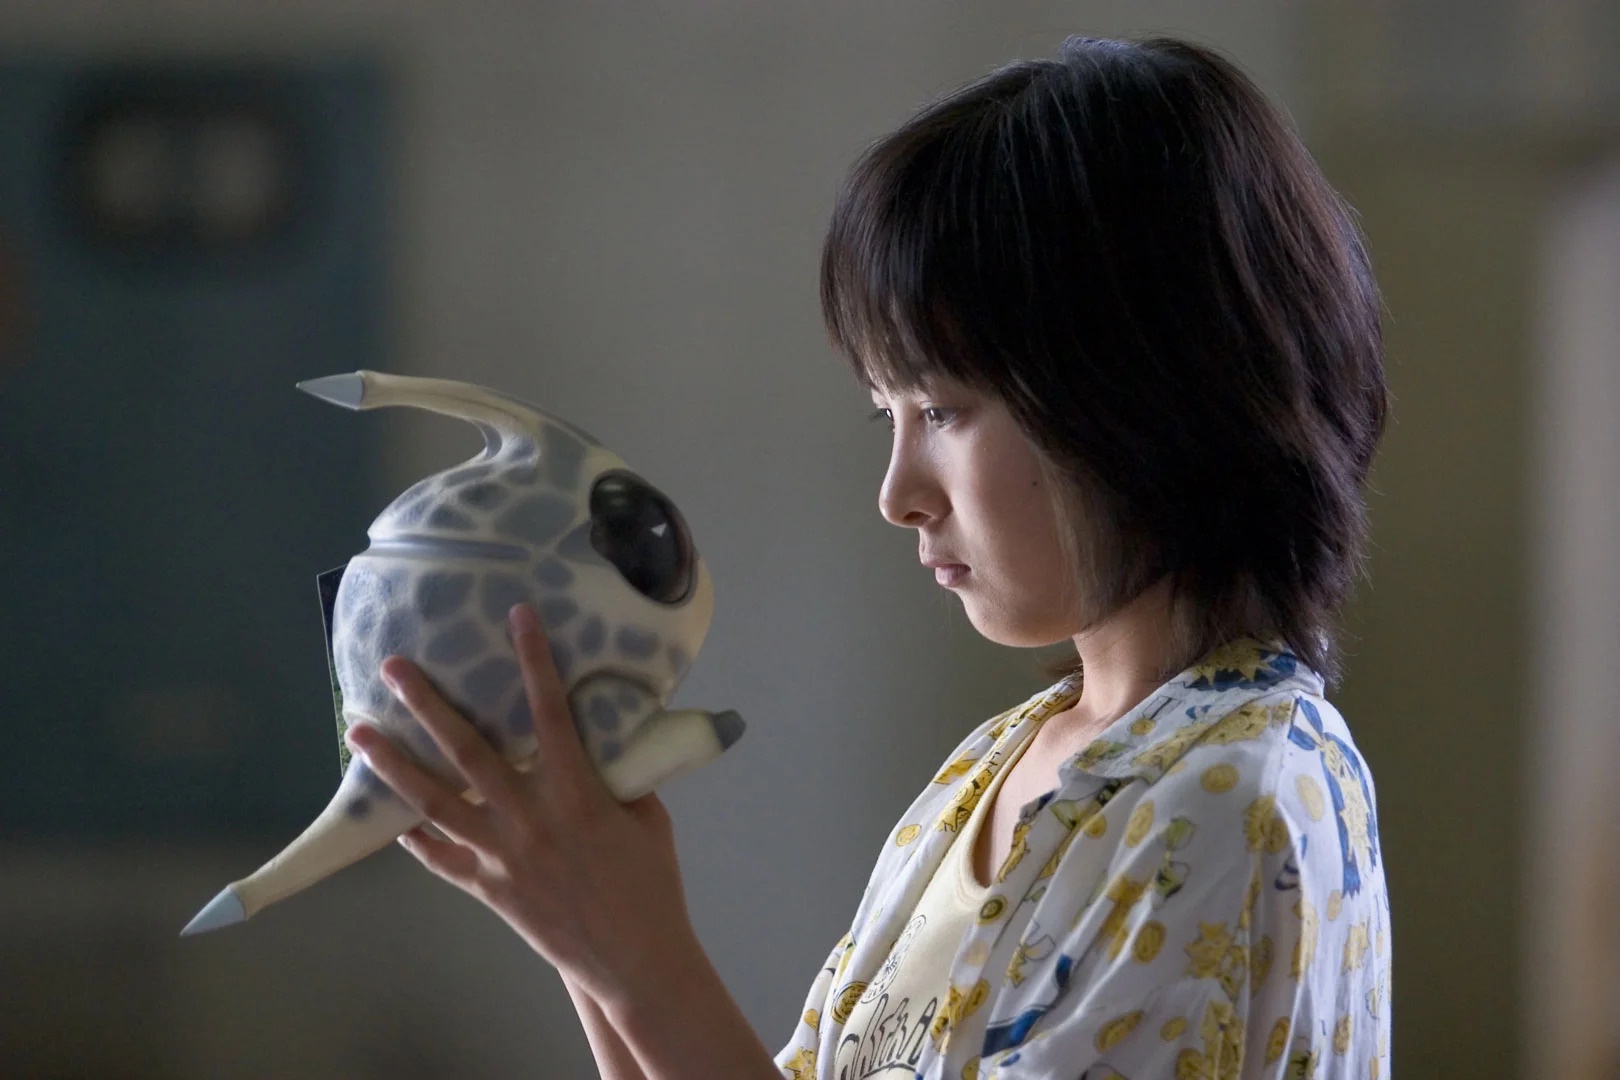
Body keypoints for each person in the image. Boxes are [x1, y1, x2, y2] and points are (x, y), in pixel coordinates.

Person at [344, 33, 1391, 1080]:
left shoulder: (1230, 799)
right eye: (888, 412)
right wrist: (591, 933)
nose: (898, 496)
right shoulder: (998, 765)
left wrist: (638, 957)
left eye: (942, 410)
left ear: (1139, 387)